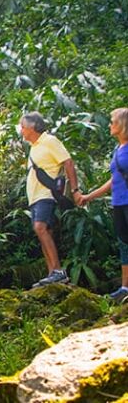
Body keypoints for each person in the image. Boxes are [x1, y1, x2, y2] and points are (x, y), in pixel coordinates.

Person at [19, 112, 80, 288]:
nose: (21, 131)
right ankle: (51, 272)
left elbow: (67, 162)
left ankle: (58, 272)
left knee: (40, 227)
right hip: (35, 197)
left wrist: (74, 189)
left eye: (23, 127)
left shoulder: (49, 141)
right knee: (43, 230)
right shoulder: (34, 146)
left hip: (46, 195)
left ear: (32, 127)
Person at [75, 108, 128, 303]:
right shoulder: (118, 150)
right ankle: (125, 288)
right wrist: (89, 196)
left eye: (112, 121)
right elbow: (114, 180)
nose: (109, 124)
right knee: (124, 244)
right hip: (119, 202)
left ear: (122, 124)